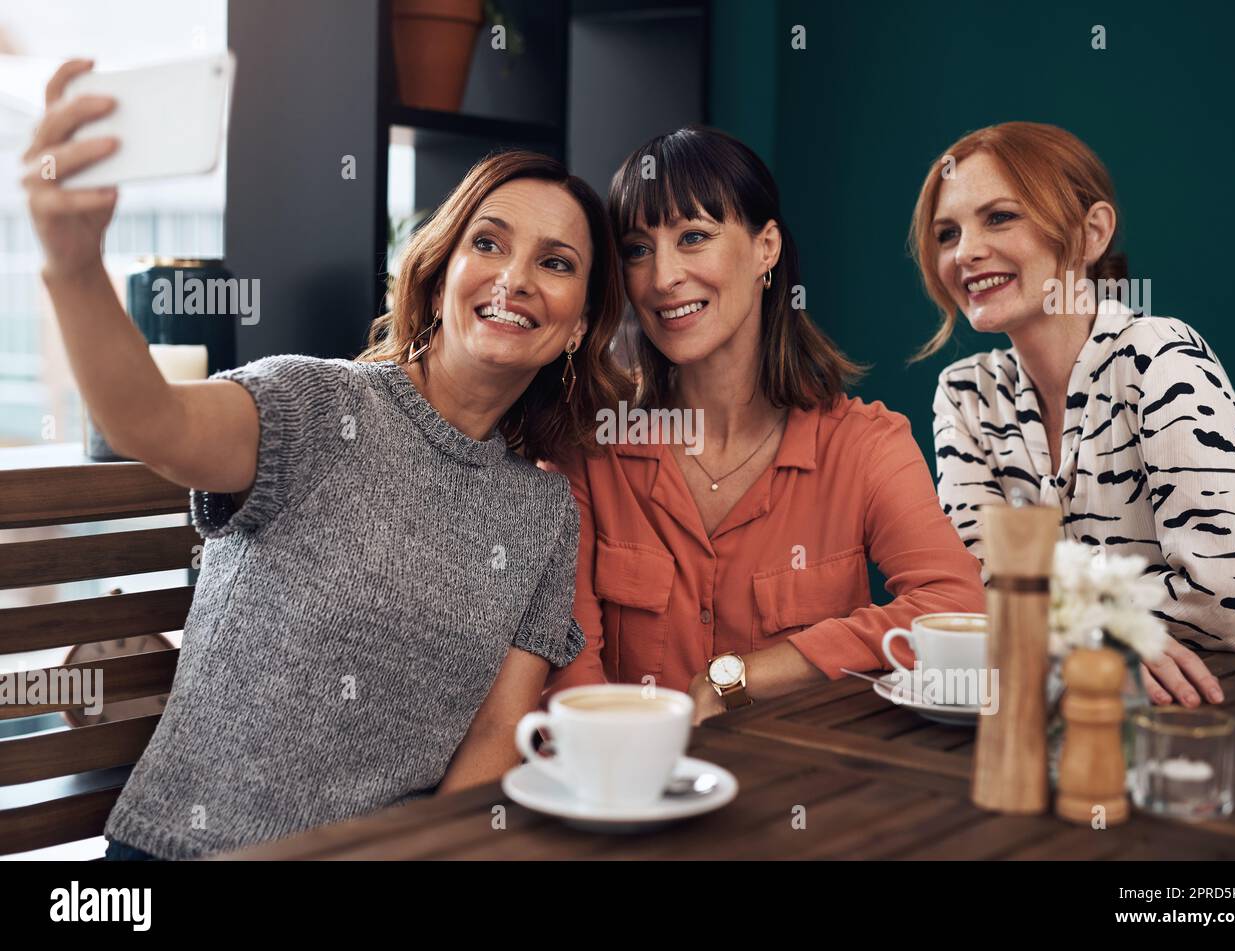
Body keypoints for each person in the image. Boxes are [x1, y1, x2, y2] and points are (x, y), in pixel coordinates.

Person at [23, 60, 629, 859]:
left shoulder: (545, 514)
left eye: (556, 262)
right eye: (489, 242)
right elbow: (152, 421)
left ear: (580, 326)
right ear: (443, 269)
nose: (515, 278)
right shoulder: (312, 406)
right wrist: (73, 267)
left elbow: (495, 735)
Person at [543, 127, 986, 723]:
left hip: (811, 797)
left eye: (693, 237)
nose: (662, 277)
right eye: (637, 250)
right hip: (638, 792)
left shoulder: (865, 446)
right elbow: (573, 668)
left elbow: (958, 606)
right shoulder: (590, 452)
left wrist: (741, 675)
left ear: (765, 248)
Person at [911, 121, 1235, 708]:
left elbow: (1234, 609)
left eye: (1000, 216)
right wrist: (1095, 630)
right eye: (946, 233)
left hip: (1212, 715)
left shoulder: (1158, 355)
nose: (965, 252)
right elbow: (972, 593)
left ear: (1091, 233)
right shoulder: (966, 393)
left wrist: (1053, 615)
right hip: (1057, 707)